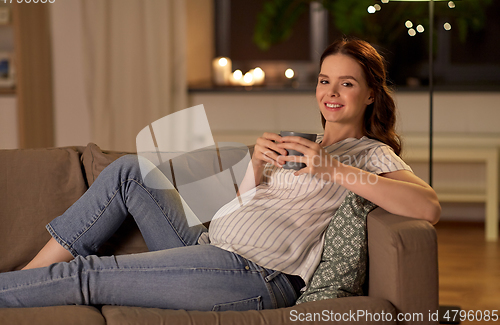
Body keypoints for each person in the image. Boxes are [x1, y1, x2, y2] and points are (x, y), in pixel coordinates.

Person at [0, 37, 440, 310]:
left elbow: (428, 206)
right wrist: (256, 167)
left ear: (368, 96)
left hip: (256, 274)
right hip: (211, 244)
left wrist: (335, 170)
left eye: (347, 83)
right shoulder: (304, 144)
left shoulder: (369, 154)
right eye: (325, 80)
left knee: (89, 274)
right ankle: (30, 273)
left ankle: (12, 288)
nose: (331, 92)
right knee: (129, 171)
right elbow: (244, 207)